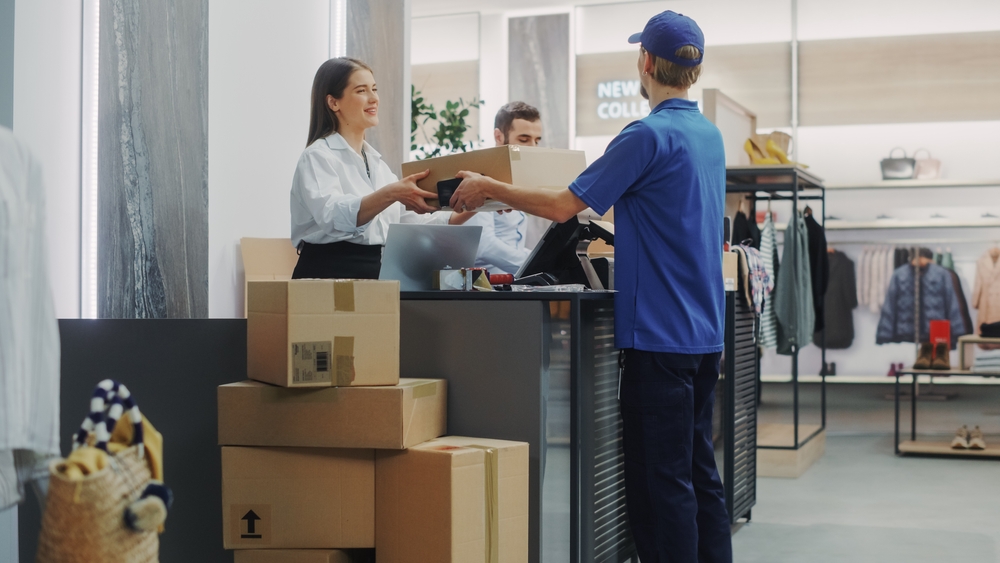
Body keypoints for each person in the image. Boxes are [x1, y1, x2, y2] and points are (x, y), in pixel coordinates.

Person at [450, 11, 731, 563]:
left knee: (663, 484)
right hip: (703, 334)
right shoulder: (708, 135)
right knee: (700, 474)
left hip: (659, 337)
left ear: (646, 63)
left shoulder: (645, 136)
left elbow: (561, 207)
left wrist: (486, 185)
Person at [290, 57, 471, 279]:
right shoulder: (318, 156)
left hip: (373, 273)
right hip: (326, 274)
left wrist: (474, 204)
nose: (374, 98)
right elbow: (333, 217)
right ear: (333, 103)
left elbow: (412, 222)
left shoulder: (377, 164)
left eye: (374, 89)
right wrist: (392, 193)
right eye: (361, 90)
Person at [468, 102, 544, 274]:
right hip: (485, 289)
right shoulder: (478, 177)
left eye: (537, 141)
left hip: (513, 284)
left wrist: (543, 260)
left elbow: (512, 244)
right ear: (498, 136)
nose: (533, 148)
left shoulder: (516, 178)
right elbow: (484, 244)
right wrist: (535, 265)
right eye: (524, 140)